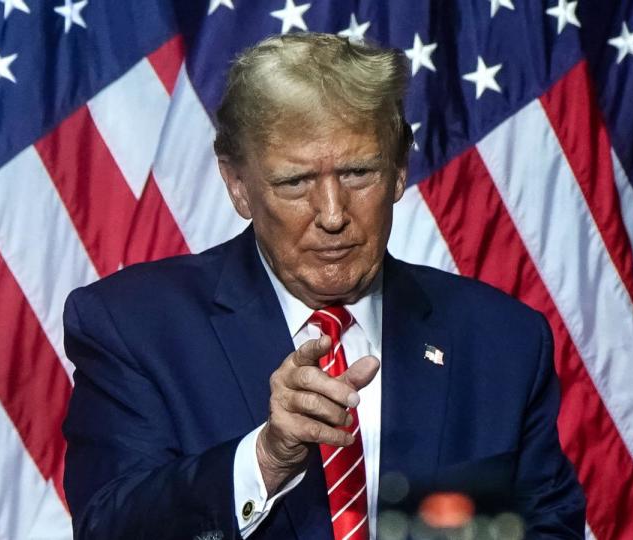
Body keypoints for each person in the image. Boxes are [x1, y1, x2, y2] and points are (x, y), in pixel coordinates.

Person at [62, 33, 585, 540]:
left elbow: (545, 527)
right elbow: (108, 527)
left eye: (359, 173)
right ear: (238, 185)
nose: (332, 215)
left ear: (400, 169)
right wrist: (266, 458)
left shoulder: (502, 341)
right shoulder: (132, 328)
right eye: (295, 182)